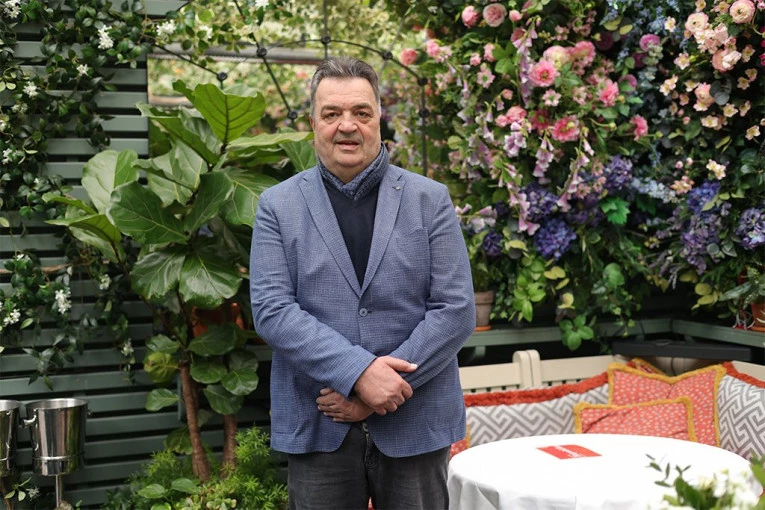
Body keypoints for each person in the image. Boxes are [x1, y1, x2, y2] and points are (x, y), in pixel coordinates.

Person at [249, 56, 475, 510]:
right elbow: (273, 311)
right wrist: (360, 374)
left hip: (416, 421)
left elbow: (455, 309)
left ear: (379, 119)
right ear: (313, 123)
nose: (347, 125)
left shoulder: (430, 200)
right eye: (332, 113)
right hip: (319, 421)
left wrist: (380, 392)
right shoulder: (277, 205)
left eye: (361, 112)